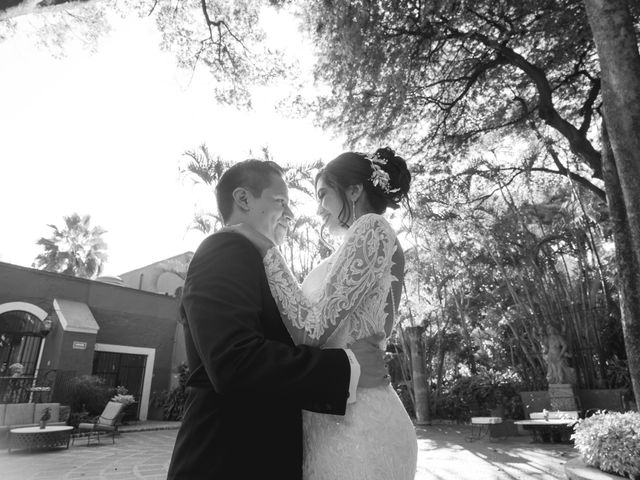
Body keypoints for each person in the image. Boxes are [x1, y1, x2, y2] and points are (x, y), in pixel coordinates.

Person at [166, 159, 389, 480]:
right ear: (243, 200)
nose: (290, 213)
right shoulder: (225, 250)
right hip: (227, 460)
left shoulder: (257, 261)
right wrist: (346, 368)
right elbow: (235, 362)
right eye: (280, 202)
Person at [230, 148, 418, 480]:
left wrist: (264, 246)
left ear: (354, 190)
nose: (318, 209)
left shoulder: (372, 228)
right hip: (331, 414)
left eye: (323, 195)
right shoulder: (348, 249)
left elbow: (312, 330)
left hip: (361, 424)